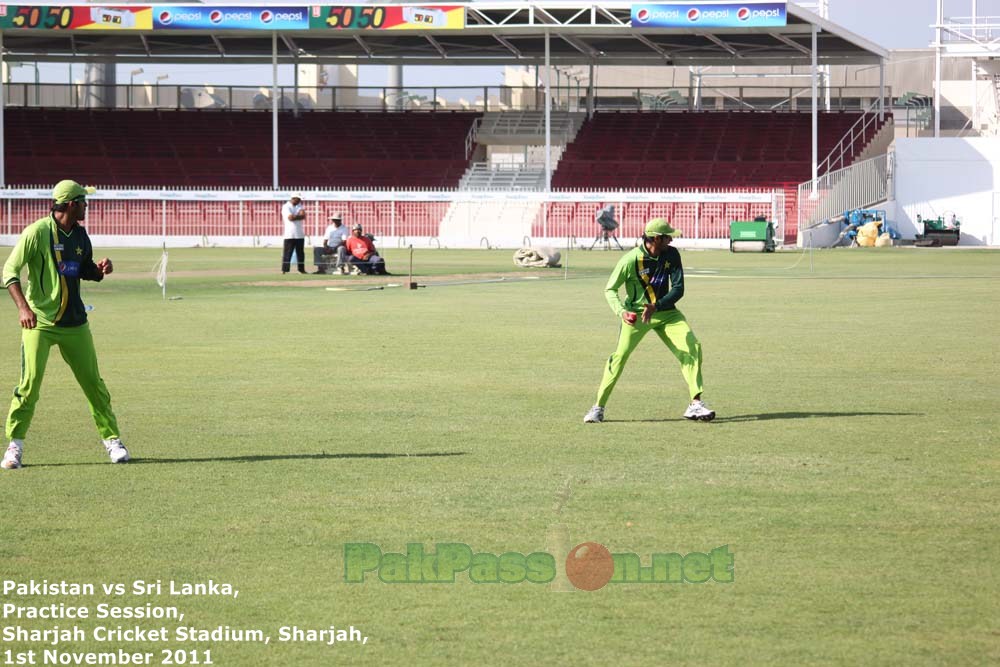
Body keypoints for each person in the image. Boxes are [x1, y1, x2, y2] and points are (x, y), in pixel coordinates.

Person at [1, 180, 129, 469]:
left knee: (94, 385)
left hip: (76, 324)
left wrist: (99, 270)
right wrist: (23, 307)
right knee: (29, 386)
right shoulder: (36, 233)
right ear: (72, 204)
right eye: (83, 201)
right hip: (40, 324)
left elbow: (82, 270)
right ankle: (14, 446)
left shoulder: (81, 235)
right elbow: (9, 270)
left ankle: (112, 440)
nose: (86, 206)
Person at [583, 218, 715, 424]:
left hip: (666, 312)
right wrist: (621, 312)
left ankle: (695, 404)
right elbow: (610, 289)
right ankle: (598, 407)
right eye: (667, 237)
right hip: (636, 315)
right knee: (619, 357)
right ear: (655, 239)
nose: (671, 240)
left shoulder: (672, 254)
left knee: (692, 347)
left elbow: (678, 288)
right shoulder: (630, 260)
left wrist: (657, 306)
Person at [281, 193, 307, 274]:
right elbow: (290, 218)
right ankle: (285, 270)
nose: (300, 200)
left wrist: (296, 216)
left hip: (299, 234)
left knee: (301, 254)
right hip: (289, 234)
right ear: (293, 198)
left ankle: (301, 270)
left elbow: (303, 215)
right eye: (298, 199)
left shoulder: (299, 205)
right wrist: (298, 216)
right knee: (287, 253)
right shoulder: (286, 206)